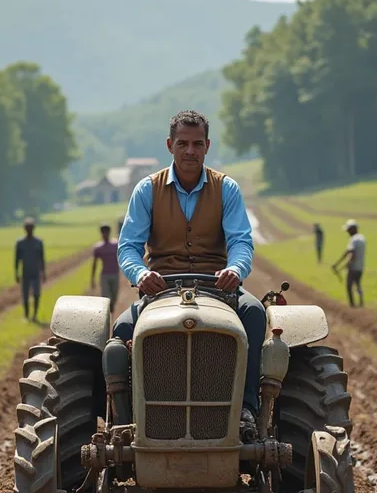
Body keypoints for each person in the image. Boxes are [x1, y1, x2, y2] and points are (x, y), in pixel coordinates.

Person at [114, 109, 266, 426]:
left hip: (218, 287)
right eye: (183, 143)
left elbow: (241, 240)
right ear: (170, 145)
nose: (190, 151)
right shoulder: (146, 190)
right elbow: (128, 246)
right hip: (161, 289)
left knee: (254, 313)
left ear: (207, 146)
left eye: (197, 144)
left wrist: (236, 269)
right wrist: (141, 274)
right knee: (122, 331)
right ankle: (128, 418)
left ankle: (248, 408)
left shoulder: (227, 189)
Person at [15, 218, 46, 322]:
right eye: (27, 228)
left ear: (33, 228)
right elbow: (17, 259)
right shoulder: (20, 243)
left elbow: (42, 258)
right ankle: (26, 315)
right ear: (24, 229)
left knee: (36, 294)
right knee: (25, 295)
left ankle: (35, 315)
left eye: (31, 228)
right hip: (25, 273)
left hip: (35, 272)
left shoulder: (38, 242)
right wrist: (16, 273)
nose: (29, 230)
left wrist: (43, 272)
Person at [333, 219, 366, 308]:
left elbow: (350, 253)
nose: (348, 232)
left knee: (349, 286)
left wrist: (340, 264)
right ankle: (361, 303)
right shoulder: (362, 239)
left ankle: (352, 305)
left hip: (353, 268)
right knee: (358, 285)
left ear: (353, 229)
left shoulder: (353, 240)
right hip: (361, 267)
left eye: (348, 230)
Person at [91, 224, 119, 313]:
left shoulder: (115, 245)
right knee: (105, 297)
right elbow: (95, 264)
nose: (105, 235)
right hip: (105, 275)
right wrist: (92, 279)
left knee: (114, 296)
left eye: (106, 233)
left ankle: (111, 307)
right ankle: (106, 314)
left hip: (115, 274)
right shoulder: (98, 248)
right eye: (103, 233)